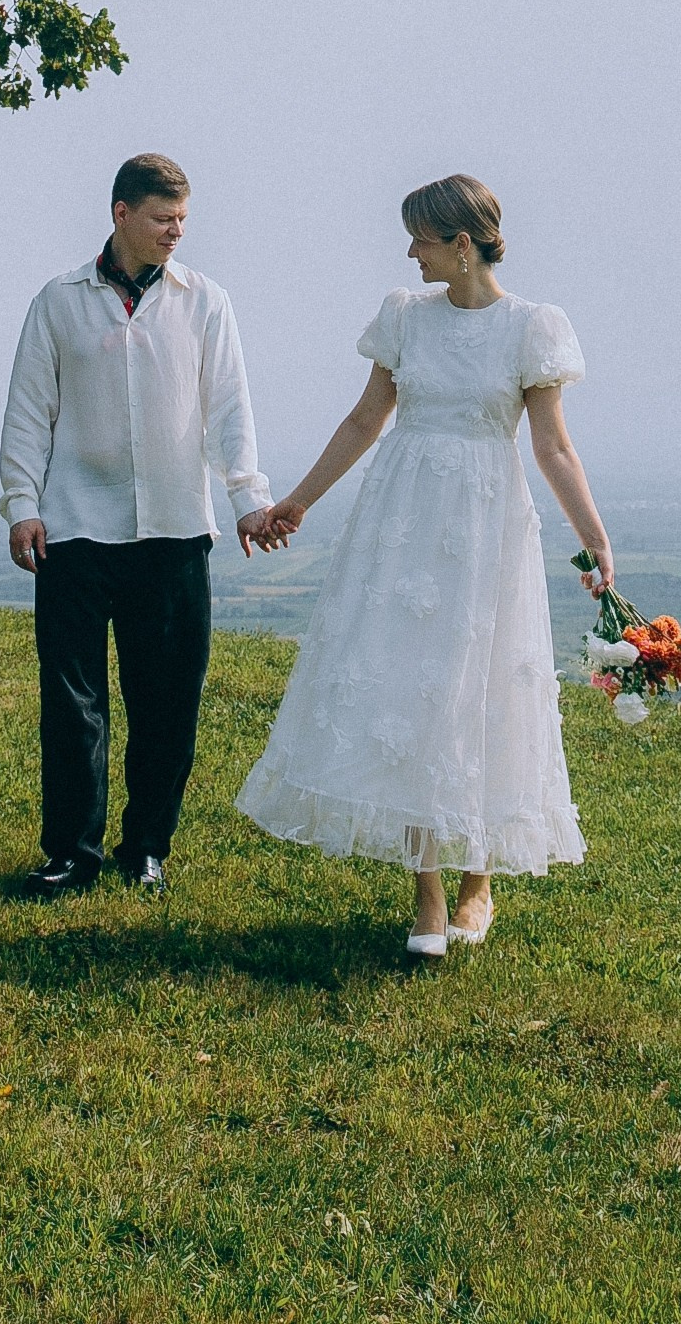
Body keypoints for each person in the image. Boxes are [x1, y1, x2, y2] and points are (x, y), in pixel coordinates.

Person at [236, 173, 613, 958]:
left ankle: (478, 880)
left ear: (464, 246)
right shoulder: (405, 318)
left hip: (485, 529)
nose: (411, 253)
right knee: (411, 690)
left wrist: (595, 541)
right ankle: (429, 896)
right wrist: (298, 502)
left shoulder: (532, 328)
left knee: (477, 690)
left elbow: (552, 446)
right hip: (402, 524)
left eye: (423, 239)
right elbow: (365, 418)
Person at [0, 153, 274, 897]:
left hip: (176, 533)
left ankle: (146, 847)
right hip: (75, 531)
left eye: (182, 220)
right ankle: (71, 854)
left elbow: (229, 409)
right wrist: (22, 505)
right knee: (73, 703)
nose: (174, 233)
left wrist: (248, 496)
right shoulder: (58, 301)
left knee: (166, 704)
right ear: (121, 213)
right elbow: (30, 409)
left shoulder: (205, 301)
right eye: (161, 219)